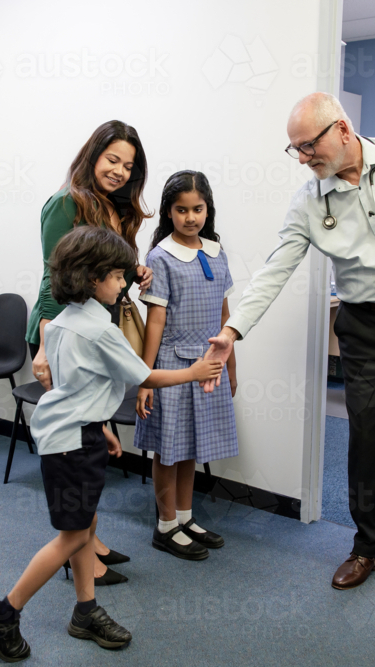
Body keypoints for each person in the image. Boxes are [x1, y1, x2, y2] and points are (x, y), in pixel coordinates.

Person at [203, 93, 375, 603]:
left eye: (309, 145)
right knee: (363, 437)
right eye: (296, 150)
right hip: (365, 326)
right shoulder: (309, 202)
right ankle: (367, 548)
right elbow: (276, 268)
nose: (305, 157)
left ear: (343, 129)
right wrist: (233, 331)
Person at [0, 226, 223, 661]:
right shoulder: (99, 330)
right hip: (71, 442)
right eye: (117, 276)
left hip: (73, 431)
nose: (124, 283)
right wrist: (195, 372)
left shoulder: (64, 323)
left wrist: (100, 424)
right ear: (92, 278)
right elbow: (145, 377)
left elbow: (77, 384)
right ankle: (3, 613)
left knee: (85, 526)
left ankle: (85, 610)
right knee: (71, 537)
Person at [25, 120, 154, 585]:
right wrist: (44, 345)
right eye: (112, 159)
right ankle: (77, 554)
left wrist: (133, 268)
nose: (120, 171)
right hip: (65, 332)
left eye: (129, 165)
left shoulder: (115, 208)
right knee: (78, 446)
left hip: (97, 327)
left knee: (94, 440)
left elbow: (100, 263)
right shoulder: (67, 203)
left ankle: (89, 540)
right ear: (92, 155)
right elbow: (51, 274)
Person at [134, 171, 239, 560]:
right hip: (173, 368)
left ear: (207, 210)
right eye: (181, 210)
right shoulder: (160, 258)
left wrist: (231, 367)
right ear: (169, 212)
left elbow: (227, 316)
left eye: (198, 209)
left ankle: (184, 516)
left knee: (192, 446)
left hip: (208, 366)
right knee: (168, 449)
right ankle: (165, 526)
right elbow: (155, 323)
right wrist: (146, 379)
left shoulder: (216, 252)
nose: (191, 217)